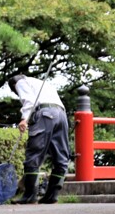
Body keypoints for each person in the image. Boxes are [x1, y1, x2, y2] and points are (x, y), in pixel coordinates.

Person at [7, 74, 71, 204]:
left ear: (14, 85)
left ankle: (30, 195)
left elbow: (29, 100)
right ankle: (52, 195)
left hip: (45, 114)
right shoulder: (41, 83)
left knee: (34, 154)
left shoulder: (20, 82)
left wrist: (24, 119)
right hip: (61, 115)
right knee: (61, 157)